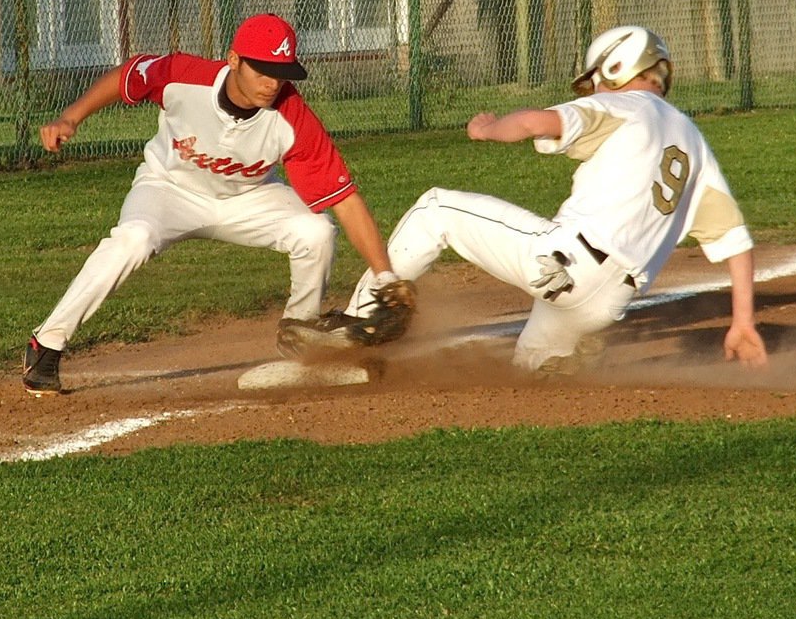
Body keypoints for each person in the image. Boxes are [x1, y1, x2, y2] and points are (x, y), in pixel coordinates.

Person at [286, 25, 768, 375]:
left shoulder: (628, 103)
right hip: (611, 300)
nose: (596, 89)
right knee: (530, 373)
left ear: (618, 69)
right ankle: (562, 363)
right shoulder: (695, 145)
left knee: (437, 210)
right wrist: (743, 322)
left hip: (562, 260)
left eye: (599, 79)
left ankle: (357, 328)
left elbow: (538, 122)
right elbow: (734, 241)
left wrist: (487, 128)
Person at [21, 13, 407, 395]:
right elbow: (127, 77)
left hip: (249, 197)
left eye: (281, 73)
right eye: (263, 70)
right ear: (234, 60)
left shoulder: (292, 117)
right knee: (132, 240)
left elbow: (345, 201)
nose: (273, 83)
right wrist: (71, 117)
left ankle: (299, 332)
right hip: (168, 189)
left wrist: (385, 277)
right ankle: (47, 344)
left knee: (316, 231)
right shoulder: (183, 75)